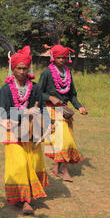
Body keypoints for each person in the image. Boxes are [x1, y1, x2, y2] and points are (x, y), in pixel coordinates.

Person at [0, 46, 50, 215]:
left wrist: (48, 125)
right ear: (12, 69)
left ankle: (26, 197)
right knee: (19, 165)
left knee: (33, 164)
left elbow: (41, 109)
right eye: (18, 68)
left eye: (24, 68)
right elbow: (4, 113)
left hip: (31, 132)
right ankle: (25, 201)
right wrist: (23, 112)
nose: (21, 71)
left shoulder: (34, 88)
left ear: (29, 69)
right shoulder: (5, 90)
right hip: (12, 131)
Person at [38, 45, 88, 182]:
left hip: (65, 112)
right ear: (53, 58)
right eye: (58, 57)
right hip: (51, 112)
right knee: (65, 141)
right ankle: (65, 171)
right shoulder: (47, 73)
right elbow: (37, 92)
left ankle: (56, 168)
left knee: (63, 141)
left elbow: (72, 94)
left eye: (63, 57)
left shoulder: (68, 72)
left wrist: (79, 107)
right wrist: (50, 98)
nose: (61, 60)